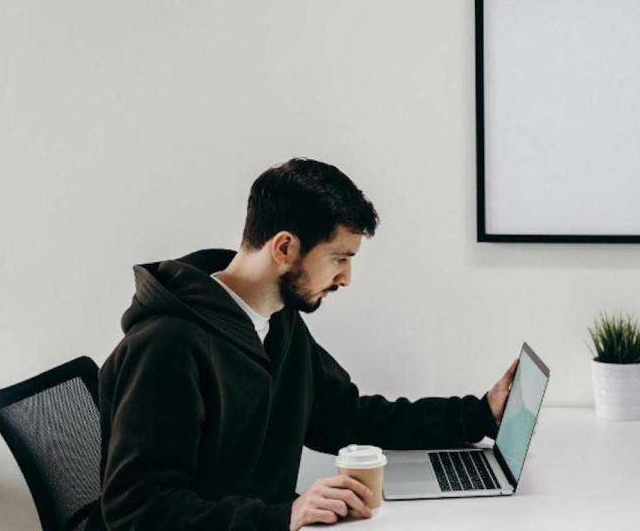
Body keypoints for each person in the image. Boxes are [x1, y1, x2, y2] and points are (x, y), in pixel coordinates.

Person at [98, 158, 517, 530]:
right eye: (339, 258)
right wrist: (284, 517)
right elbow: (138, 510)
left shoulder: (280, 323)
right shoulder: (167, 345)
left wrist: (478, 413)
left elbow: (345, 417)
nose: (346, 278)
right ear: (284, 247)